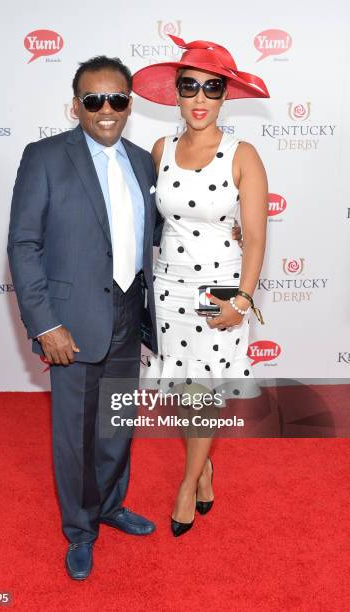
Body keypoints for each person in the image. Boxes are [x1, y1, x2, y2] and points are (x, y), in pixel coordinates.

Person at [7, 56, 161, 581]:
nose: (105, 110)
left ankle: (111, 504)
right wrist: (45, 324)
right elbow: (24, 244)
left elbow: (154, 236)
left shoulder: (143, 162)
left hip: (128, 308)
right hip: (70, 320)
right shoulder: (46, 157)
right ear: (76, 106)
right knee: (75, 432)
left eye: (116, 99)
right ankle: (79, 529)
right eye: (93, 100)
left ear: (129, 104)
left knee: (117, 421)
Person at [132, 35, 269, 536]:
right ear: (176, 93)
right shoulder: (160, 149)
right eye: (189, 87)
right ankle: (205, 466)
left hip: (221, 292)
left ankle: (188, 483)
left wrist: (244, 298)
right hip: (168, 290)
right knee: (186, 393)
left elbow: (254, 238)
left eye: (212, 88)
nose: (200, 99)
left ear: (225, 95)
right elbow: (148, 222)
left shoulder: (243, 154)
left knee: (205, 393)